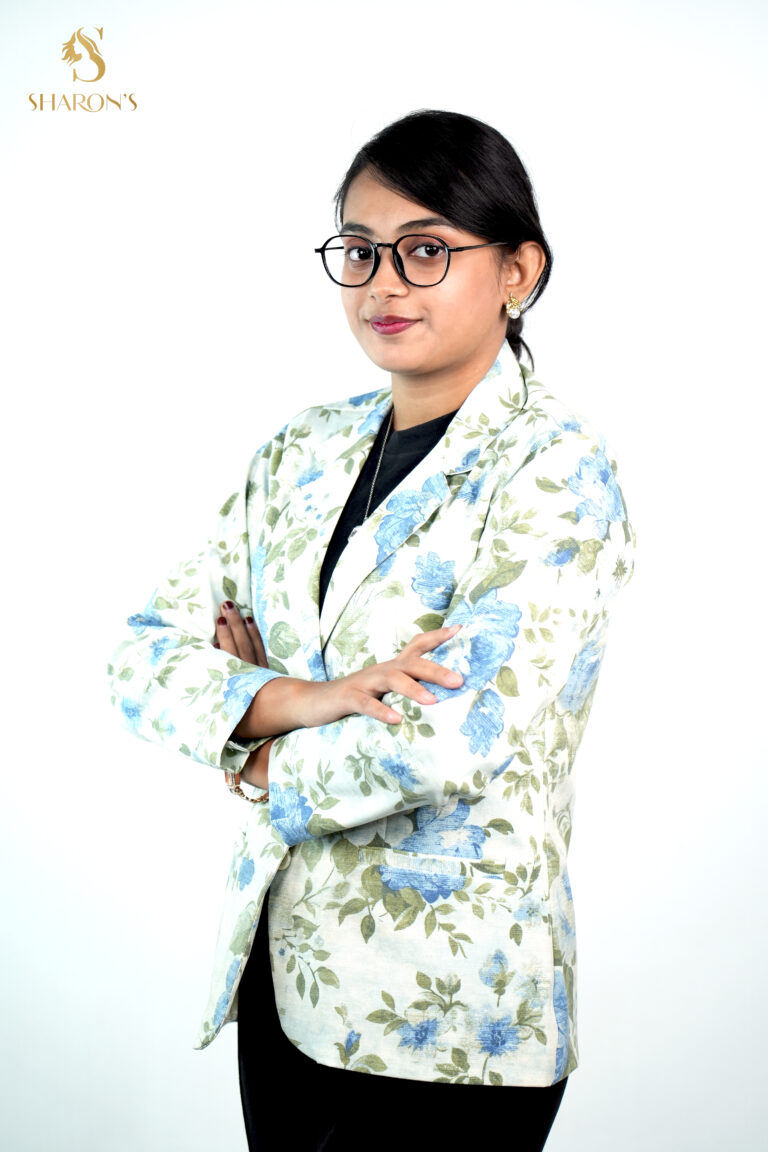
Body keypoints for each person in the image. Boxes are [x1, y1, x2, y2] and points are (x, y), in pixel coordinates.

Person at [109, 109, 634, 1150]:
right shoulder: (299, 452)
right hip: (285, 975)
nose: (383, 283)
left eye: (426, 250)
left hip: (449, 1009)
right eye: (360, 250)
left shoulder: (556, 467)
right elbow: (141, 658)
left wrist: (257, 752)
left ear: (518, 271)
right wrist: (306, 698)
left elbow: (453, 735)